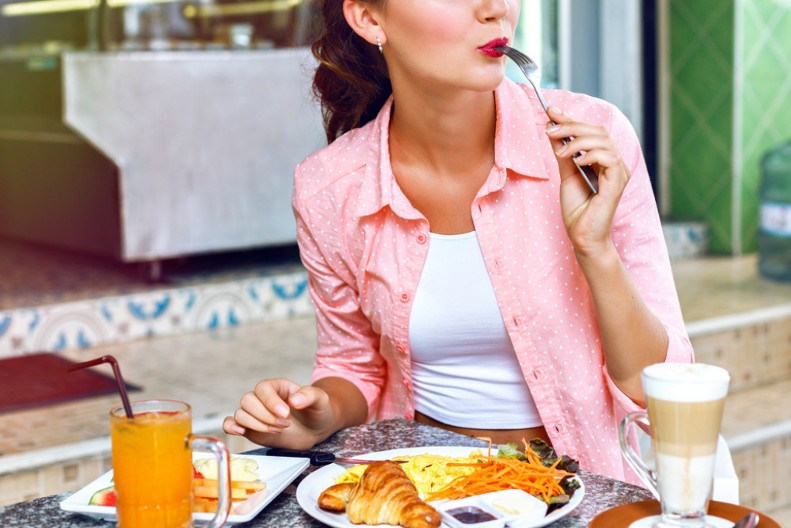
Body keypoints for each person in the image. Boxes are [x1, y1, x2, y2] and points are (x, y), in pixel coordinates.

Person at [223, 0, 694, 484]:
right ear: (369, 18)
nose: (497, 9)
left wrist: (596, 251)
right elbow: (353, 365)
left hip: (581, 495)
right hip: (421, 494)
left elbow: (659, 390)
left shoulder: (594, 142)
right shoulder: (330, 187)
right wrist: (318, 412)